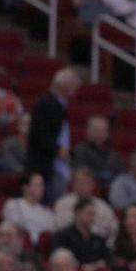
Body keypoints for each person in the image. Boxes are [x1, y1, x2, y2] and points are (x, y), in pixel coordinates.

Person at [29, 69, 82, 200]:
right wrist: (58, 149)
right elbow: (40, 135)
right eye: (74, 85)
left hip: (56, 165)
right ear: (64, 85)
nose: (76, 89)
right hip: (47, 167)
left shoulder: (59, 105)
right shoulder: (47, 104)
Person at [2, 173, 58, 242]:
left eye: (42, 185)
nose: (42, 188)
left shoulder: (47, 212)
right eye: (38, 185)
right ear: (25, 188)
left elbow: (51, 233)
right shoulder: (13, 205)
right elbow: (14, 228)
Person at [72, 114, 124, 185]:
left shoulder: (112, 154)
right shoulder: (78, 150)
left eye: (103, 131)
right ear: (87, 131)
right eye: (95, 130)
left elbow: (122, 175)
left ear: (107, 134)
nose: (99, 134)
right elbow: (80, 172)